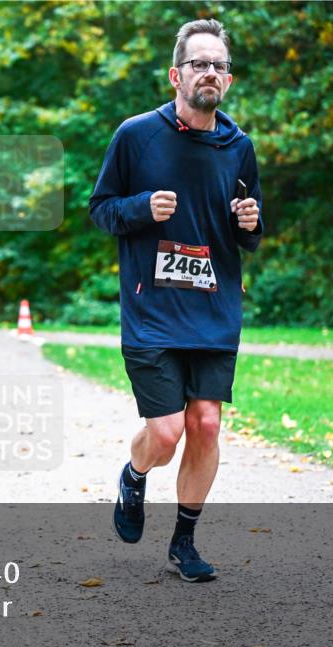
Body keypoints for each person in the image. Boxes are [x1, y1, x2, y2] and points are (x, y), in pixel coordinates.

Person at [88, 18, 263, 583]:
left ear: (228, 81)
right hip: (153, 309)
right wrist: (141, 208)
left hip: (214, 309)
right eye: (199, 63)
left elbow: (247, 232)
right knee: (167, 430)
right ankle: (135, 474)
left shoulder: (239, 147)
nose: (209, 72)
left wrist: (251, 223)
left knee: (206, 423)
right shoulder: (136, 136)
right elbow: (101, 210)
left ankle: (184, 542)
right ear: (175, 75)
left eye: (219, 65)